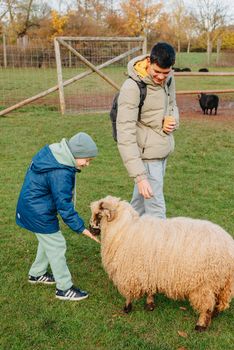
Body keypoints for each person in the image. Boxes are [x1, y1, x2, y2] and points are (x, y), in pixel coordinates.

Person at [16, 132, 99, 301]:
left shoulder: (56, 156)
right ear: (76, 154)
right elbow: (64, 206)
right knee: (57, 244)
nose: (88, 164)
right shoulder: (61, 172)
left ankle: (36, 274)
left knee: (48, 241)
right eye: (86, 160)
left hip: (33, 207)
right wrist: (82, 229)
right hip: (38, 212)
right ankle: (64, 288)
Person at [117, 42, 179, 219]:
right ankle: (159, 246)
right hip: (147, 157)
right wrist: (140, 176)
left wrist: (172, 120)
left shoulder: (169, 78)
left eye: (165, 73)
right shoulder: (132, 87)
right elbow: (125, 134)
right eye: (156, 72)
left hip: (162, 150)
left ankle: (124, 240)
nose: (160, 77)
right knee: (156, 210)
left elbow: (173, 105)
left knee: (138, 206)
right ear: (149, 62)